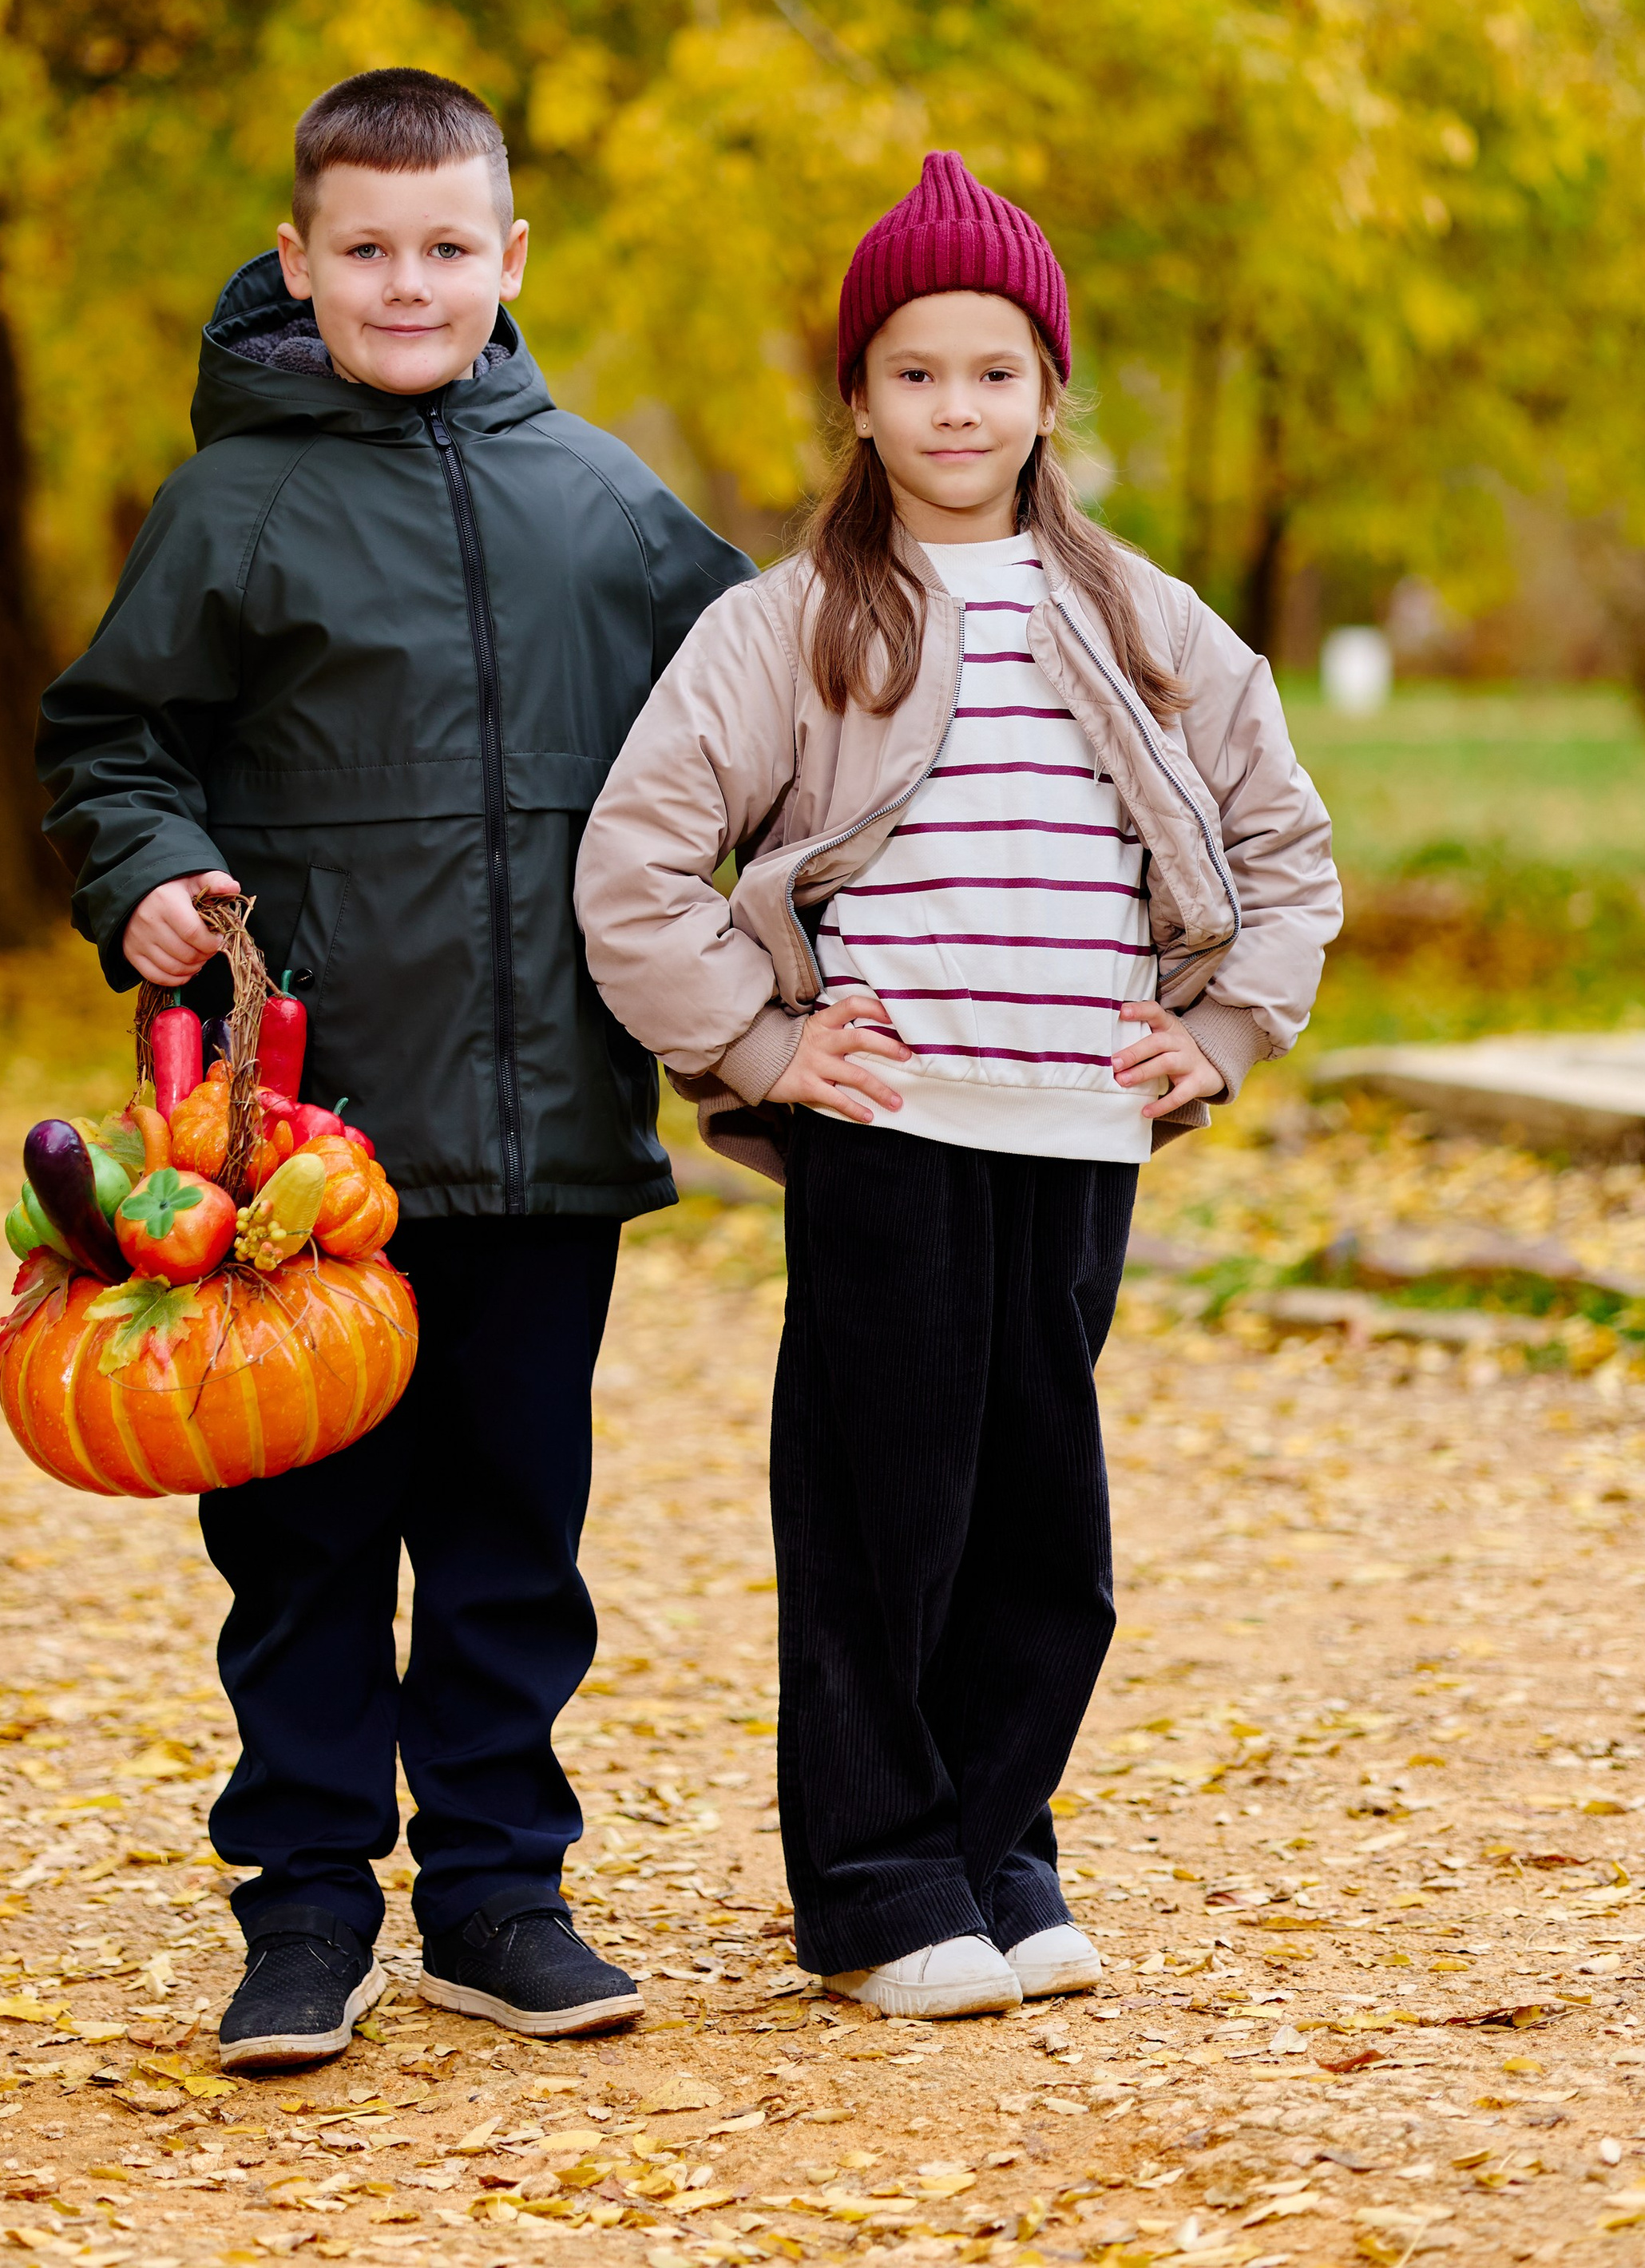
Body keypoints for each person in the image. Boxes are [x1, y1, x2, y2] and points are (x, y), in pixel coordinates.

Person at [575, 151, 1340, 2022]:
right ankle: (873, 1886)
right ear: (857, 394)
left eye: (991, 370)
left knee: (1038, 1530)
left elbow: (1282, 849)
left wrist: (1221, 1028)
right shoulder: (789, 625)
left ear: (1047, 388)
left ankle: (998, 1846)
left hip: (1075, 1129)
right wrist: (760, 1048)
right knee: (876, 1516)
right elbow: (635, 868)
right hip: (892, 1134)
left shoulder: (1148, 622)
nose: (954, 408)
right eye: (913, 371)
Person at [38, 67, 751, 2067]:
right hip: (297, 1152)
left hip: (549, 1130)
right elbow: (113, 741)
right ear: (298, 261)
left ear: (509, 262)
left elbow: (768, 712)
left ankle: (500, 1895)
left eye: (447, 249)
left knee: (516, 1528)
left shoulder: (603, 506)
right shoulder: (231, 507)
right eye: (365, 250)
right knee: (303, 1542)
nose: (407, 283)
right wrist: (153, 875)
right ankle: (304, 1905)